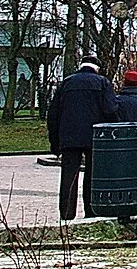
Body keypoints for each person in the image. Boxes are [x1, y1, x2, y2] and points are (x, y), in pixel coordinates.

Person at [46, 60, 116, 221]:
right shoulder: (102, 83)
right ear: (97, 68)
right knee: (92, 176)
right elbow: (110, 110)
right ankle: (91, 212)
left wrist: (55, 143)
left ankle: (66, 214)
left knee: (69, 176)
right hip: (95, 137)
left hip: (69, 137)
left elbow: (53, 114)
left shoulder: (66, 83)